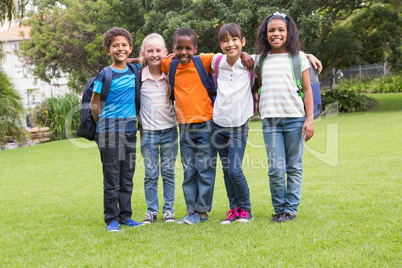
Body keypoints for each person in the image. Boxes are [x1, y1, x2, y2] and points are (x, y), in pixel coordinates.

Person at [160, 27, 255, 225]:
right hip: (184, 126)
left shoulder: (203, 60)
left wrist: (244, 52)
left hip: (207, 123)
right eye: (179, 48)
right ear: (173, 48)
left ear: (196, 48)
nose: (184, 52)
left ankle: (203, 212)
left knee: (205, 168)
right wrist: (133, 60)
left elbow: (231, 54)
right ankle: (191, 210)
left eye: (188, 48)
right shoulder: (168, 64)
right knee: (189, 171)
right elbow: (150, 62)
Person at [255, 12, 315, 222]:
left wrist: (309, 119)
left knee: (294, 167)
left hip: (295, 120)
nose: (276, 34)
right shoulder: (261, 60)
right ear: (265, 34)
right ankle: (279, 208)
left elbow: (307, 90)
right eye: (271, 30)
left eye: (281, 29)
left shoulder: (299, 58)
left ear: (289, 33)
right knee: (276, 169)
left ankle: (290, 210)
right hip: (270, 122)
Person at [90, 27, 142, 231]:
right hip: (109, 129)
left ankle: (125, 216)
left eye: (124, 45)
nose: (120, 49)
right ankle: (112, 218)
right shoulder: (105, 74)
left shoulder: (133, 70)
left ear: (130, 48)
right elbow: (95, 105)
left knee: (127, 175)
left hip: (130, 128)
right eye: (115, 46)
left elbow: (146, 60)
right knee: (112, 176)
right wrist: (102, 125)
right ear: (107, 50)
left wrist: (134, 59)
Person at [210, 23, 256, 224]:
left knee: (234, 169)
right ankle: (233, 209)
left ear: (243, 41)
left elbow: (280, 54)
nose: (230, 44)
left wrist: (308, 56)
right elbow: (184, 57)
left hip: (238, 124)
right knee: (226, 171)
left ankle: (245, 210)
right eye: (225, 40)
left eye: (235, 39)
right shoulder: (216, 61)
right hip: (218, 123)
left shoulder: (251, 62)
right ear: (220, 44)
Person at [138, 33, 178, 224]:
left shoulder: (171, 74)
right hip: (148, 133)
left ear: (165, 52)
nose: (154, 54)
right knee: (151, 174)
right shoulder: (139, 76)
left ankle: (169, 209)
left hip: (170, 131)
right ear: (144, 53)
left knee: (169, 172)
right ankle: (151, 210)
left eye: (158, 51)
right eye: (150, 51)